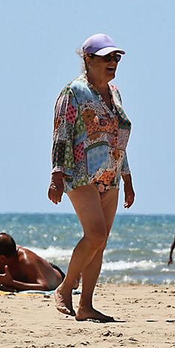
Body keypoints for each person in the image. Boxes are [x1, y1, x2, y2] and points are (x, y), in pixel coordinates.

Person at [49, 33, 135, 321]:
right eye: (106, 57)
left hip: (110, 174)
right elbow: (61, 132)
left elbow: (117, 137)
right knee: (95, 234)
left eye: (116, 58)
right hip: (81, 171)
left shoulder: (115, 93)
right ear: (88, 59)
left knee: (100, 242)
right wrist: (57, 174)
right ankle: (64, 289)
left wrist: (127, 177)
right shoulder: (73, 92)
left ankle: (86, 305)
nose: (113, 62)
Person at [0, 233, 66, 292]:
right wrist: (3, 287)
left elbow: (44, 286)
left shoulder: (25, 260)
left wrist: (11, 283)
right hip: (41, 268)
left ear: (2, 258)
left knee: (73, 284)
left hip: (58, 277)